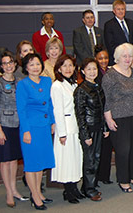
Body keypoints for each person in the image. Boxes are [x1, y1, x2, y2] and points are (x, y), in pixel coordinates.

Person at [102, 43, 133, 193]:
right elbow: (105, 99)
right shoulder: (110, 75)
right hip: (120, 118)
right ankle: (123, 180)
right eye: (124, 56)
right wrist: (108, 119)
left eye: (130, 56)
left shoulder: (132, 72)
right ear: (117, 58)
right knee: (123, 150)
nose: (128, 59)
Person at [16, 53, 55, 210]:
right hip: (30, 128)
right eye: (31, 64)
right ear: (26, 67)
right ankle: (34, 196)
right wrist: (26, 130)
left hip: (44, 126)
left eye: (38, 64)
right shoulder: (23, 84)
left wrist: (52, 122)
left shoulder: (46, 81)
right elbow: (21, 109)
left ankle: (38, 192)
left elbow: (50, 103)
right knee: (32, 164)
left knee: (41, 163)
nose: (35, 67)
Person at [0, 51, 28, 208]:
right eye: (5, 63)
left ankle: (14, 189)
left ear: (15, 64)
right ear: (1, 66)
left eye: (10, 62)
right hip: (4, 126)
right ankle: (8, 192)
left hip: (18, 126)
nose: (8, 66)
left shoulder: (20, 81)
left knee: (14, 160)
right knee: (5, 160)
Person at [50, 55, 83, 204]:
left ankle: (75, 187)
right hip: (66, 129)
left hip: (76, 127)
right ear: (58, 69)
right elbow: (57, 111)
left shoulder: (74, 84)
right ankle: (68, 191)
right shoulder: (57, 85)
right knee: (67, 160)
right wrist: (61, 133)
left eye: (70, 65)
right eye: (64, 66)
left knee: (75, 159)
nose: (68, 69)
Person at [74, 58, 105, 201]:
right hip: (89, 129)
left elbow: (102, 109)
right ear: (83, 71)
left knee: (96, 157)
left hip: (98, 126)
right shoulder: (81, 90)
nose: (92, 72)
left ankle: (88, 185)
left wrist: (104, 127)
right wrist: (85, 134)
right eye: (89, 69)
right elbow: (80, 115)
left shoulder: (97, 86)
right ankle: (89, 189)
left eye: (94, 69)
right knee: (90, 160)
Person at [94, 47, 113, 185]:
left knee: (107, 146)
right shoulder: (94, 74)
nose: (104, 61)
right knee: (98, 148)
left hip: (112, 111)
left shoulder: (111, 72)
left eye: (105, 58)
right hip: (99, 114)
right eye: (100, 58)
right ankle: (96, 176)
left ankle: (105, 176)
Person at [104, 0, 133, 65]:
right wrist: (122, 56)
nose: (121, 11)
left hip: (132, 59)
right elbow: (110, 45)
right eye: (118, 9)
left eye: (122, 9)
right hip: (118, 59)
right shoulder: (109, 25)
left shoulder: (131, 23)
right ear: (114, 11)